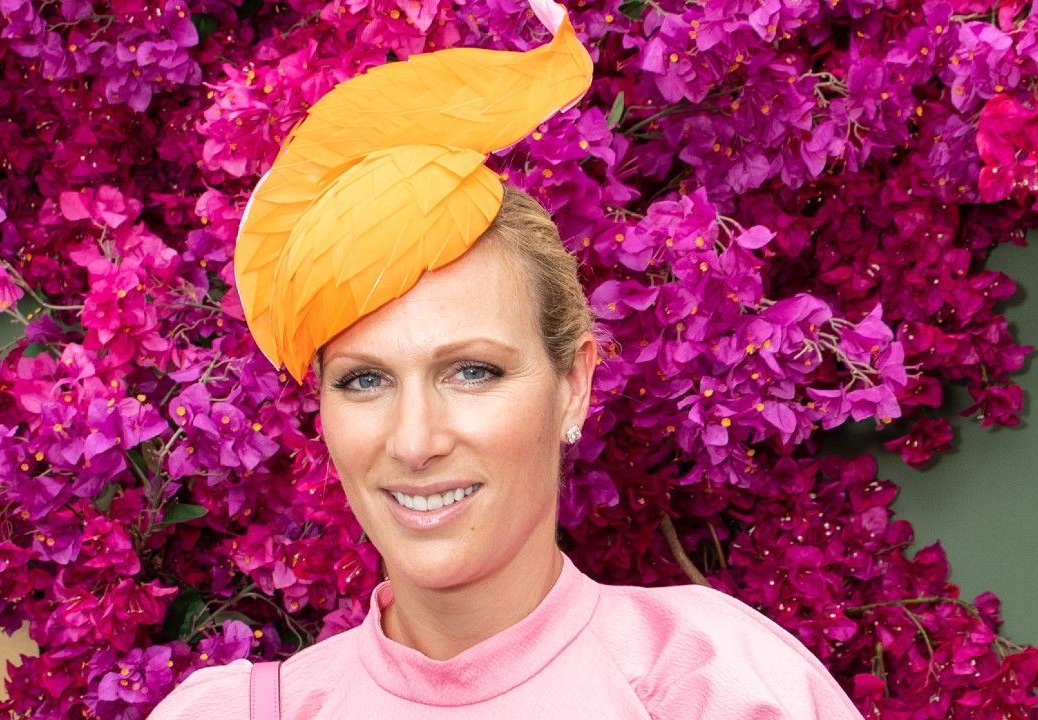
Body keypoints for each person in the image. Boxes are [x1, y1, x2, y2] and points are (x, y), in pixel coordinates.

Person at [150, 1, 867, 717]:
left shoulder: (715, 684)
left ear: (574, 387)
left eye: (472, 372)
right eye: (364, 379)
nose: (415, 440)